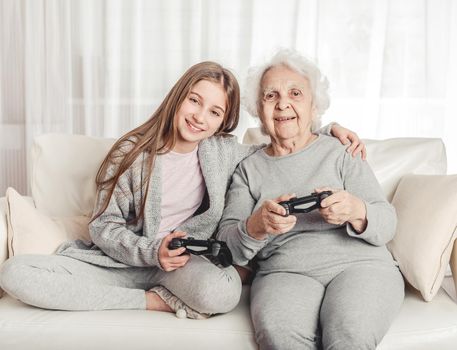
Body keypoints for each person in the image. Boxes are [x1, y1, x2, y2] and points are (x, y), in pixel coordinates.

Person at [0, 60, 364, 320]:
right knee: (15, 273)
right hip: (122, 264)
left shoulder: (222, 152)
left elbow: (283, 144)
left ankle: (141, 295)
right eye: (194, 101)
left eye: (215, 112)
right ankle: (151, 303)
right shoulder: (131, 155)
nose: (200, 117)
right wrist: (150, 251)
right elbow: (102, 226)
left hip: (184, 268)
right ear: (178, 98)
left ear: (225, 121)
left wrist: (329, 128)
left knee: (222, 292)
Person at [217, 49, 404, 349]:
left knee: (349, 334)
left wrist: (356, 210)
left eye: (295, 93)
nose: (283, 104)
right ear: (258, 109)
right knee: (280, 335)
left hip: (361, 266)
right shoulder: (248, 170)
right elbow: (227, 246)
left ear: (314, 105)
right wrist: (257, 225)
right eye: (271, 96)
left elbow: (388, 223)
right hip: (284, 271)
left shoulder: (342, 151)